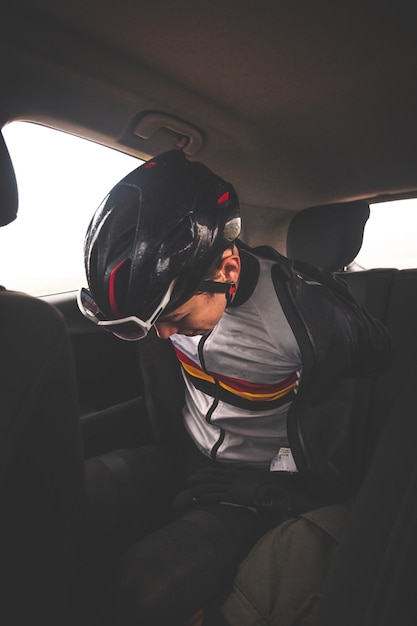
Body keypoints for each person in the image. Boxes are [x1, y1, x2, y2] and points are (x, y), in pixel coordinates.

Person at [77, 149, 391, 626]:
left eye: (176, 320)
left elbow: (367, 409)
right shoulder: (165, 312)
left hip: (256, 484)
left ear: (225, 270)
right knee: (65, 496)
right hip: (182, 454)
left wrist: (280, 491)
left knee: (144, 589)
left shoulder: (308, 319)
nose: (163, 337)